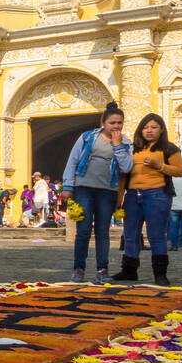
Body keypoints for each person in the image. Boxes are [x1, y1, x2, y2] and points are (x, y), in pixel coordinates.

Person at [58, 102, 132, 284]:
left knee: (102, 232)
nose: (116, 126)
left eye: (119, 123)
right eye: (112, 123)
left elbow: (127, 167)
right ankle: (79, 268)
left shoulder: (126, 142)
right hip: (84, 187)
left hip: (108, 190)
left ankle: (102, 269)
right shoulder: (87, 137)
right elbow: (73, 160)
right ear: (103, 122)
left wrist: (117, 146)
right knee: (83, 231)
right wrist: (68, 186)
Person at [115, 113, 182, 286]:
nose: (149, 131)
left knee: (156, 235)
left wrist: (159, 166)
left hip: (157, 194)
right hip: (133, 195)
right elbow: (124, 175)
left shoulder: (169, 148)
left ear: (161, 130)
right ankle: (129, 271)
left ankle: (160, 274)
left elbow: (180, 170)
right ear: (140, 130)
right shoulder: (132, 148)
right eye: (145, 127)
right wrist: (118, 200)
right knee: (130, 234)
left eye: (154, 127)